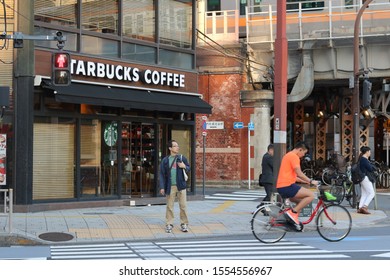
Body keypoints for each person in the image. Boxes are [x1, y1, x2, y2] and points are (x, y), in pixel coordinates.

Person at [276, 142, 319, 230]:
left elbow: (294, 177)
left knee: (300, 202)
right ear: (300, 150)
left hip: (282, 186)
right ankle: (292, 213)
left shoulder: (287, 155)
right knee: (311, 195)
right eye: (303, 153)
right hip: (287, 186)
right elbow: (298, 173)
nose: (303, 155)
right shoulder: (294, 157)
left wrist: (307, 182)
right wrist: (310, 180)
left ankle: (293, 221)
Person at [159, 140, 191, 233]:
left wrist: (184, 166)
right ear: (170, 148)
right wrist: (162, 187)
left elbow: (189, 168)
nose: (178, 147)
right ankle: (169, 224)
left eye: (177, 146)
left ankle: (184, 224)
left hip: (181, 186)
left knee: (183, 206)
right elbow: (161, 174)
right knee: (169, 206)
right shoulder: (165, 160)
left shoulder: (181, 158)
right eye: (175, 146)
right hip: (170, 186)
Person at [357, 146, 376, 214]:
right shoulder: (364, 160)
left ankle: (360, 208)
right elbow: (370, 169)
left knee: (364, 193)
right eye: (370, 152)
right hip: (365, 178)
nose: (370, 153)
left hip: (361, 178)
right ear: (367, 152)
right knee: (372, 193)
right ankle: (364, 207)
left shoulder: (361, 159)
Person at [257, 144, 275, 209]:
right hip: (268, 179)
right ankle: (262, 208)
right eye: (274, 151)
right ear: (270, 150)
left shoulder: (266, 156)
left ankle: (260, 207)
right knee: (270, 195)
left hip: (268, 179)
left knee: (269, 195)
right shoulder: (268, 157)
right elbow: (274, 166)